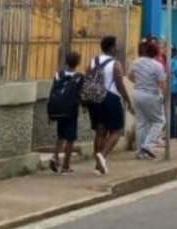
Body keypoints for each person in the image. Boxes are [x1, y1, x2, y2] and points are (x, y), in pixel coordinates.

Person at [89, 36, 133, 175]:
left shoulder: (93, 61)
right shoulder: (115, 64)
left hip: (95, 99)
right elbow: (119, 85)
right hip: (111, 98)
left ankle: (98, 165)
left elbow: (88, 80)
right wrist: (128, 100)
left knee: (100, 131)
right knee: (117, 130)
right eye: (116, 45)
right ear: (111, 47)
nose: (118, 48)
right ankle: (103, 155)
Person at [129, 38, 167, 160]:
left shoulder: (136, 62)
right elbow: (162, 83)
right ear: (155, 53)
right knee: (159, 121)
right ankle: (148, 145)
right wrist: (165, 97)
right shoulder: (157, 65)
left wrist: (139, 82)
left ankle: (140, 152)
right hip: (151, 94)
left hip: (137, 93)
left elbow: (130, 76)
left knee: (141, 123)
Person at [46, 51, 83, 174]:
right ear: (77, 63)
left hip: (58, 110)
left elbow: (52, 92)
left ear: (66, 61)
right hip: (71, 111)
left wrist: (49, 112)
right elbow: (81, 95)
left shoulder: (58, 74)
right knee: (70, 138)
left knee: (61, 135)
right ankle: (66, 165)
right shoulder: (79, 77)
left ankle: (55, 156)